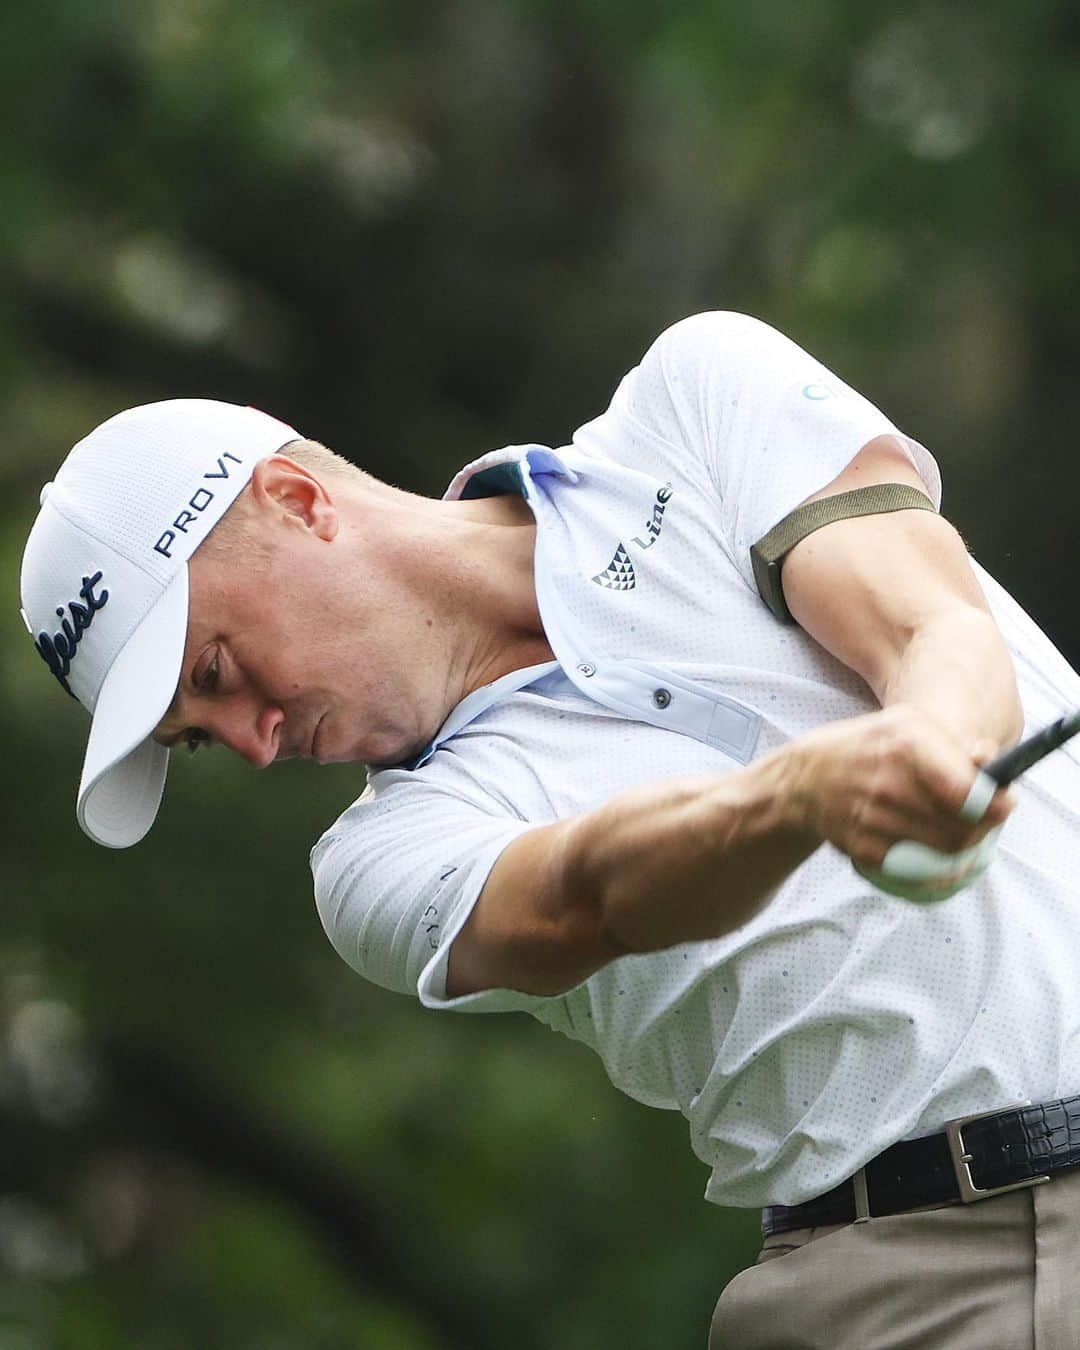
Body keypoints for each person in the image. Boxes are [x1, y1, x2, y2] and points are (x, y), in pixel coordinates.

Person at [19, 312, 1080, 1348]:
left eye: (214, 671)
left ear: (298, 500)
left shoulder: (697, 400)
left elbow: (926, 622)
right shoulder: (376, 863)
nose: (250, 743)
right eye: (197, 736)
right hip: (932, 1276)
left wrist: (937, 749)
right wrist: (800, 797)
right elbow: (585, 897)